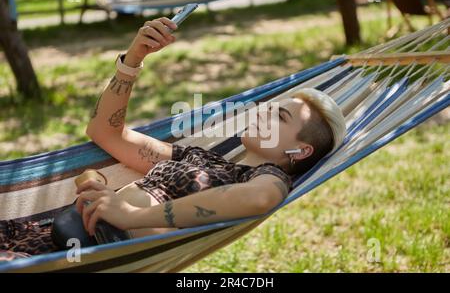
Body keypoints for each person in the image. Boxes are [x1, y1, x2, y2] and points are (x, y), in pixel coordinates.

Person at [0, 17, 346, 260]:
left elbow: (260, 199)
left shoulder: (263, 178)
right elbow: (104, 132)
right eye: (268, 108)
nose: (262, 113)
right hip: (41, 233)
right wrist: (133, 59)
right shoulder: (197, 159)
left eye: (279, 116)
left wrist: (128, 214)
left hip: (80, 254)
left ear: (300, 149)